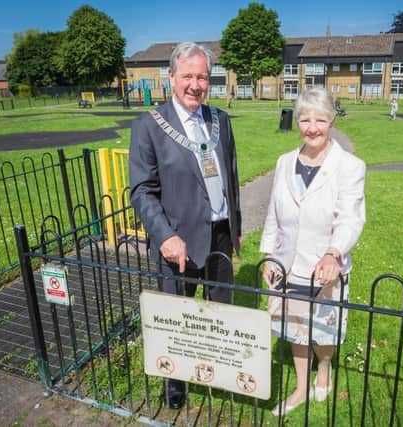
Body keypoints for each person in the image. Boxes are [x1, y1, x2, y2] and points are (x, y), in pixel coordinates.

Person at [129, 42, 241, 409]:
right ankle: (174, 382)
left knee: (218, 310)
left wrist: (235, 223)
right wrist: (164, 236)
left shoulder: (220, 119)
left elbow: (231, 174)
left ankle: (214, 371)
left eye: (203, 77)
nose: (195, 85)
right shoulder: (149, 126)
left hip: (220, 233)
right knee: (178, 318)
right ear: (172, 78)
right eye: (188, 76)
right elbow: (143, 191)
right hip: (177, 240)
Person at [259, 88, 366, 416]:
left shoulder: (350, 166)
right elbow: (273, 214)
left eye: (320, 119)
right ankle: (302, 387)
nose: (312, 127)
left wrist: (334, 253)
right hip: (288, 265)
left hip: (325, 267)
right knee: (295, 329)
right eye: (305, 119)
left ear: (332, 120)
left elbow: (351, 217)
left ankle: (324, 369)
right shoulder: (284, 162)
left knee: (322, 330)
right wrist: (267, 256)